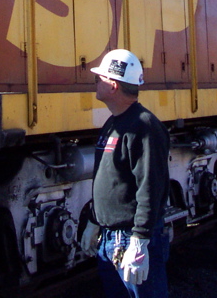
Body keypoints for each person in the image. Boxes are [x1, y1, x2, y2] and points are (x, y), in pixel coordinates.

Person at [80, 49, 170, 298]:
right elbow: (107, 180)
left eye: (98, 79)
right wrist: (94, 221)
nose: (95, 83)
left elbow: (150, 188)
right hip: (110, 241)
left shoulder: (145, 127)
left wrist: (140, 241)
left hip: (132, 240)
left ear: (113, 85)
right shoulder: (112, 124)